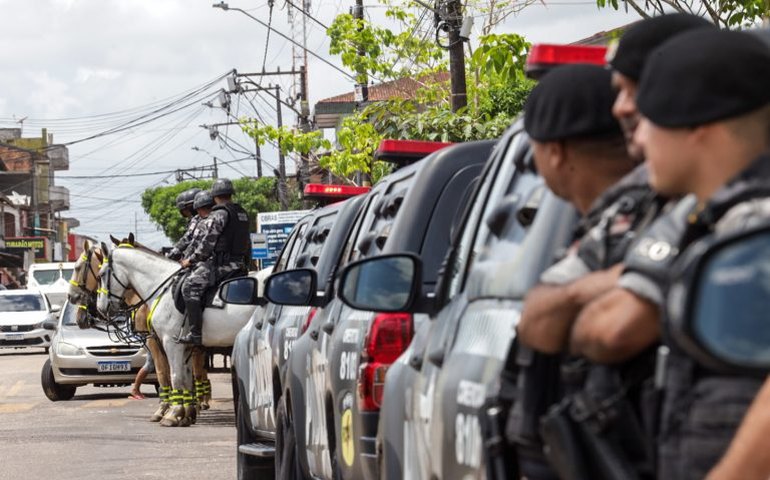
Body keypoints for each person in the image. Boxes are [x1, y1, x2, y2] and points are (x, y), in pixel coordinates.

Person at [588, 29, 770, 479]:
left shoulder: (755, 236)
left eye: (650, 118)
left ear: (696, 125)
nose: (641, 139)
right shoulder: (716, 226)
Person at [178, 179, 250, 345]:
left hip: (221, 265)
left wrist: (191, 260)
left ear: (215, 196)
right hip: (239, 264)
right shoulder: (242, 212)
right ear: (231, 194)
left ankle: (195, 334)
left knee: (189, 286)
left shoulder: (219, 214)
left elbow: (207, 243)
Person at [166, 187, 201, 261]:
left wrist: (173, 253)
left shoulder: (198, 219)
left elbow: (188, 239)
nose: (185, 213)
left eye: (185, 210)